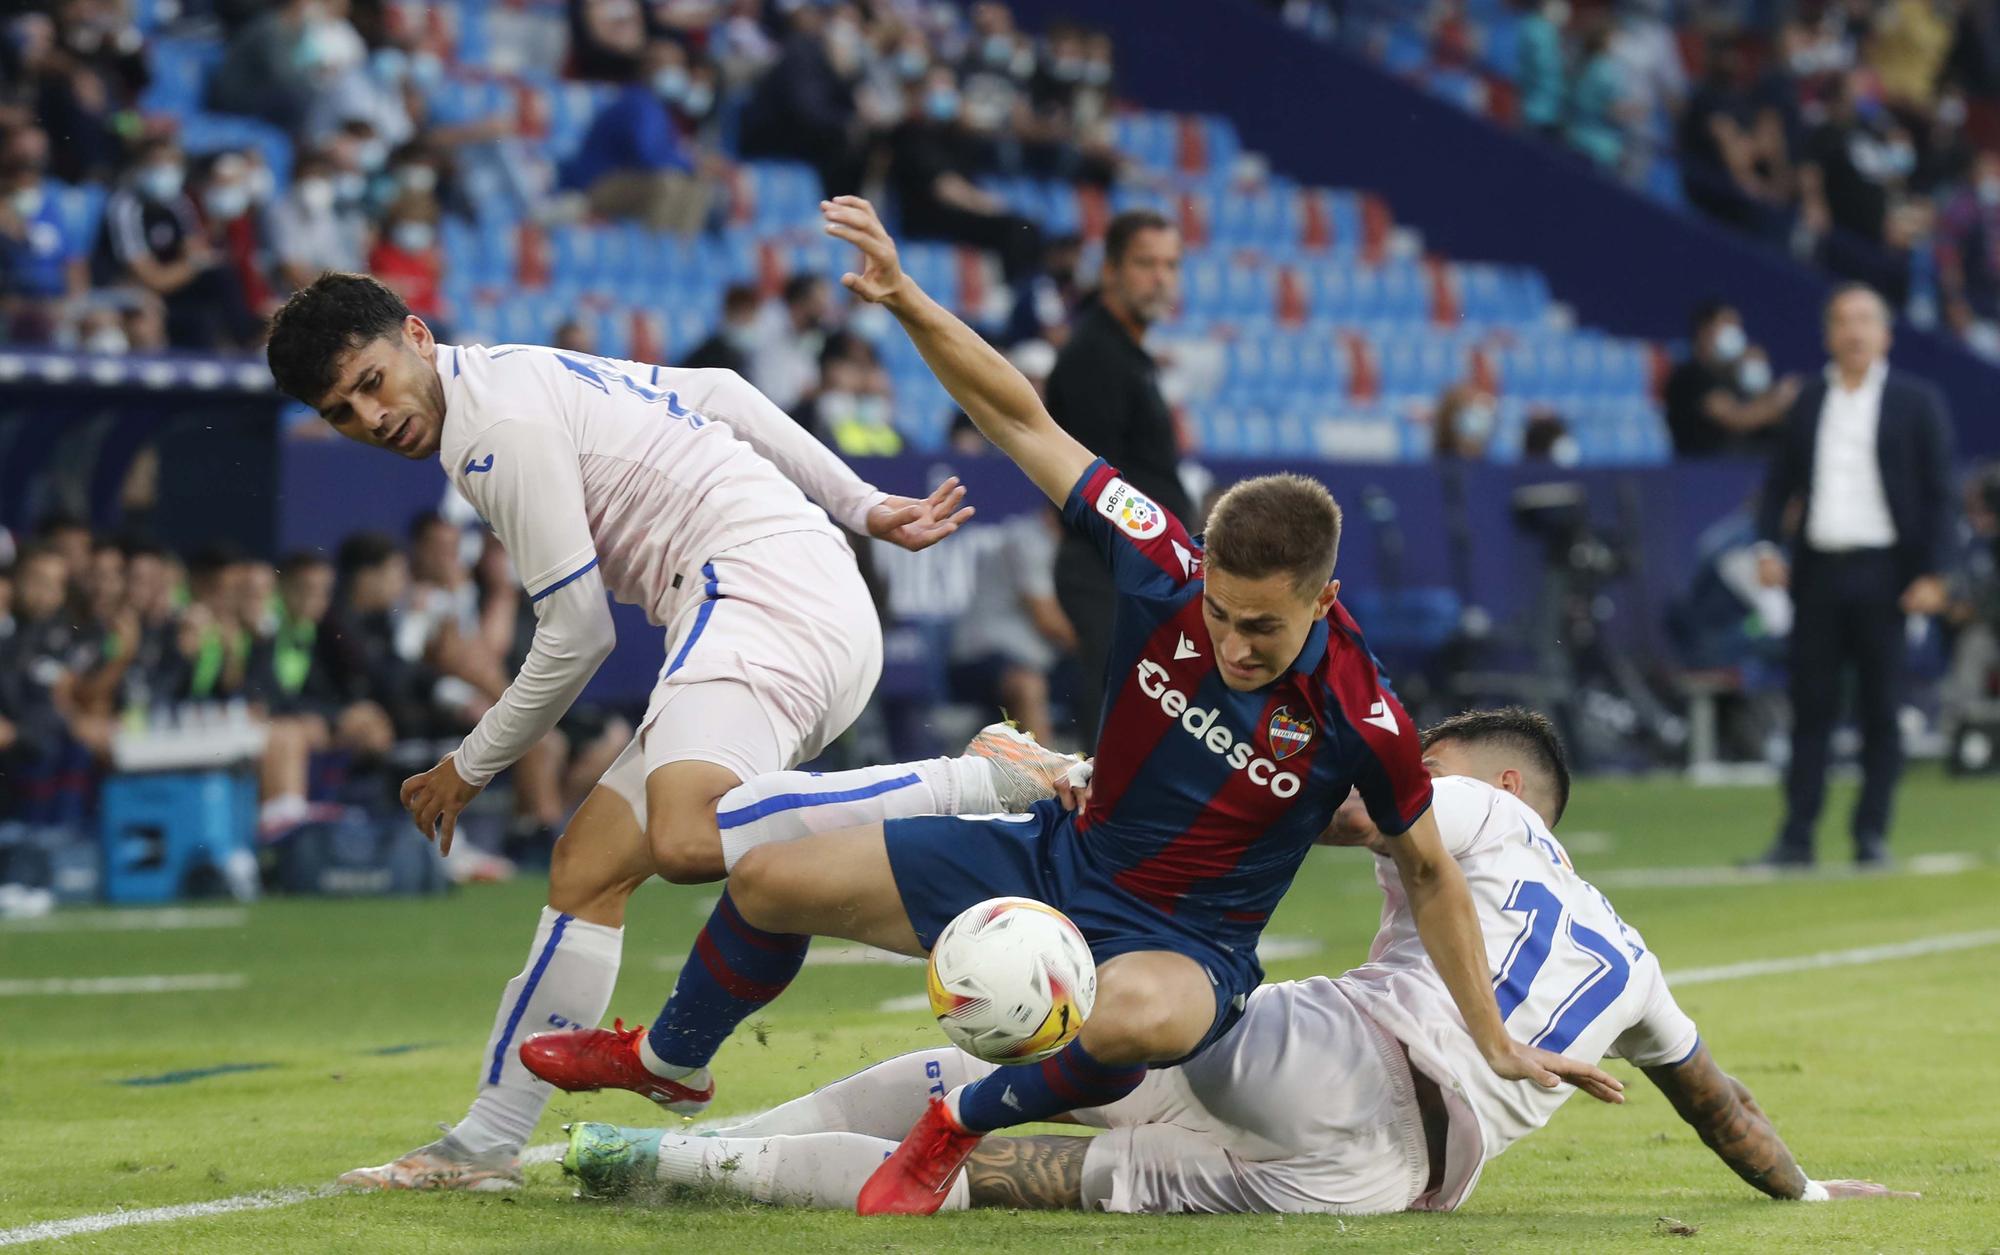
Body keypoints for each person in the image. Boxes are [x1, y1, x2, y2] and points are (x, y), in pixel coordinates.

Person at [521, 197, 1622, 1217]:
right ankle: (671, 1058)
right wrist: (908, 299)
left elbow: (1427, 867)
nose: (1231, 646)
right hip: (1055, 859)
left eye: (1261, 630)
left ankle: (957, 1121)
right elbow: (1022, 418)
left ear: (1322, 601)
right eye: (1219, 617)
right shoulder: (1158, 558)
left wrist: (1492, 1040)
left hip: (1187, 949)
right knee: (765, 877)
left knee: (1130, 1022)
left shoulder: (1359, 711)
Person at [263, 272, 1061, 1193]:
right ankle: (488, 1144)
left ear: (413, 334)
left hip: (755, 589)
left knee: (687, 834)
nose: (372, 415)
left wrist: (467, 765)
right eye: (342, 411)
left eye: (372, 380)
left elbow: (577, 637)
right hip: (796, 588)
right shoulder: (509, 370)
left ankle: (982, 777)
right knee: (590, 865)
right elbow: (718, 391)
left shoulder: (494, 430)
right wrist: (859, 503)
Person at [561, 707, 1914, 1215]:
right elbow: (1718, 1100)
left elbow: (1313, 800)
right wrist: (1802, 1193)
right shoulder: (1642, 961)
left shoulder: (1486, 811)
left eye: (1428, 762)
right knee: (1048, 1172)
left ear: (1502, 781)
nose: (1407, 773)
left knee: (1130, 972)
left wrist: (1091, 775)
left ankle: (1005, 811)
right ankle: (685, 1153)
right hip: (1383, 1178)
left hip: (1343, 1053)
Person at [1752, 284, 1956, 868]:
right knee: (1809, 706)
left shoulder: (1917, 402)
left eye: (1866, 319)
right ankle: (1797, 836)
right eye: (1843, 320)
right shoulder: (1809, 400)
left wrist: (1939, 574)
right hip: (1817, 572)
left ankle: (1871, 835)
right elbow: (1777, 486)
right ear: (1828, 334)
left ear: (1886, 333)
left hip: (1886, 573)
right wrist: (1768, 545)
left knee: (1880, 709)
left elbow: (1941, 495)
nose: (1854, 331)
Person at [1045, 209, 1187, 741]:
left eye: (1171, 265)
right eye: (1146, 263)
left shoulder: (1130, 352)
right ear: (1110, 270)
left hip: (1137, 566)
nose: (1161, 278)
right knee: (1118, 711)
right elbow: (1095, 481)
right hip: (1109, 565)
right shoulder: (1093, 356)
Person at [1663, 301, 1800, 458]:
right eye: (1727, 324)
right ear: (1704, 331)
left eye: (1737, 325)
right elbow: (1738, 419)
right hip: (1704, 470)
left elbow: (1769, 417)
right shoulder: (1690, 376)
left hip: (1750, 466)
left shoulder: (1735, 376)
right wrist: (1782, 400)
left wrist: (1760, 381)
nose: (1735, 332)